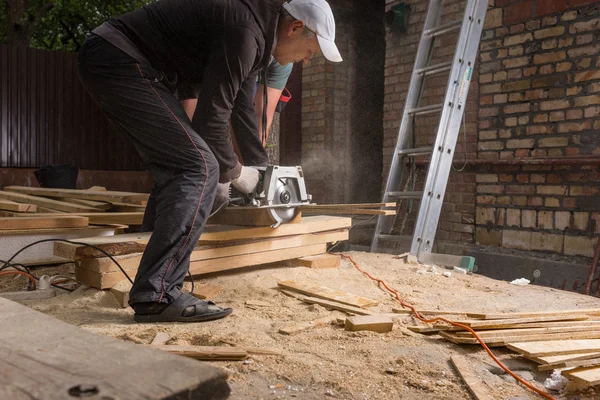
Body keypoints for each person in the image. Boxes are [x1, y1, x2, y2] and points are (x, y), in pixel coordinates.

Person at [77, 0, 342, 323]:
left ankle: (141, 267)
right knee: (198, 166)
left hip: (126, 61)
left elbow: (241, 109)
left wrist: (262, 172)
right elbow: (211, 118)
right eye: (310, 50)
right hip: (120, 59)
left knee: (185, 166)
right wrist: (239, 175)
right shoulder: (246, 32)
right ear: (295, 28)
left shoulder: (257, 35)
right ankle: (157, 295)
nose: (307, 59)